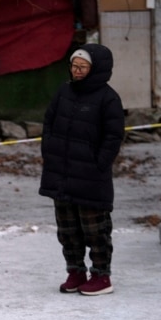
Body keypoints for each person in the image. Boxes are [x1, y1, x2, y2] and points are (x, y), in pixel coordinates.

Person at [39, 43, 124, 296]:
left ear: (96, 69)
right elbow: (49, 123)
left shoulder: (109, 99)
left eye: (82, 67)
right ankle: (75, 270)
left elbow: (113, 137)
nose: (76, 71)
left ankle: (101, 275)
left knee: (95, 230)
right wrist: (49, 153)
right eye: (74, 66)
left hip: (91, 177)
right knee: (67, 229)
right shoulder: (64, 92)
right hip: (61, 174)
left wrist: (99, 164)